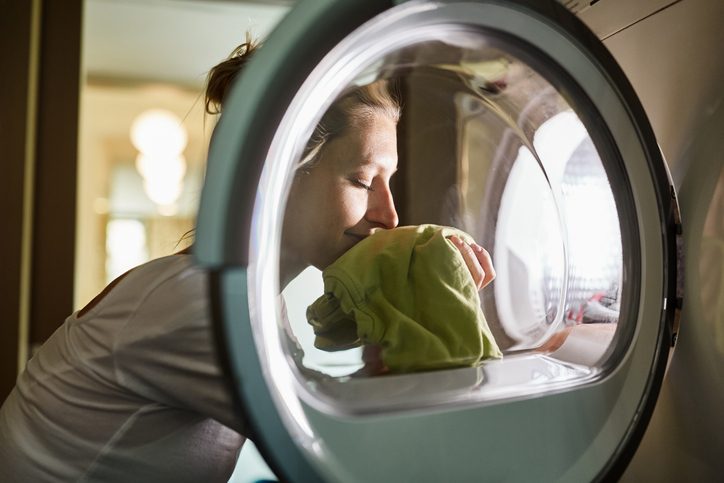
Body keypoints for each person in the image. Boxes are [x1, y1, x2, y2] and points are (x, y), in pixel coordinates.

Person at [0, 37, 496, 482]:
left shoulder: (238, 297)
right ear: (276, 172)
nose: (390, 215)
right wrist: (432, 304)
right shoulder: (201, 304)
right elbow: (346, 453)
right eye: (364, 181)